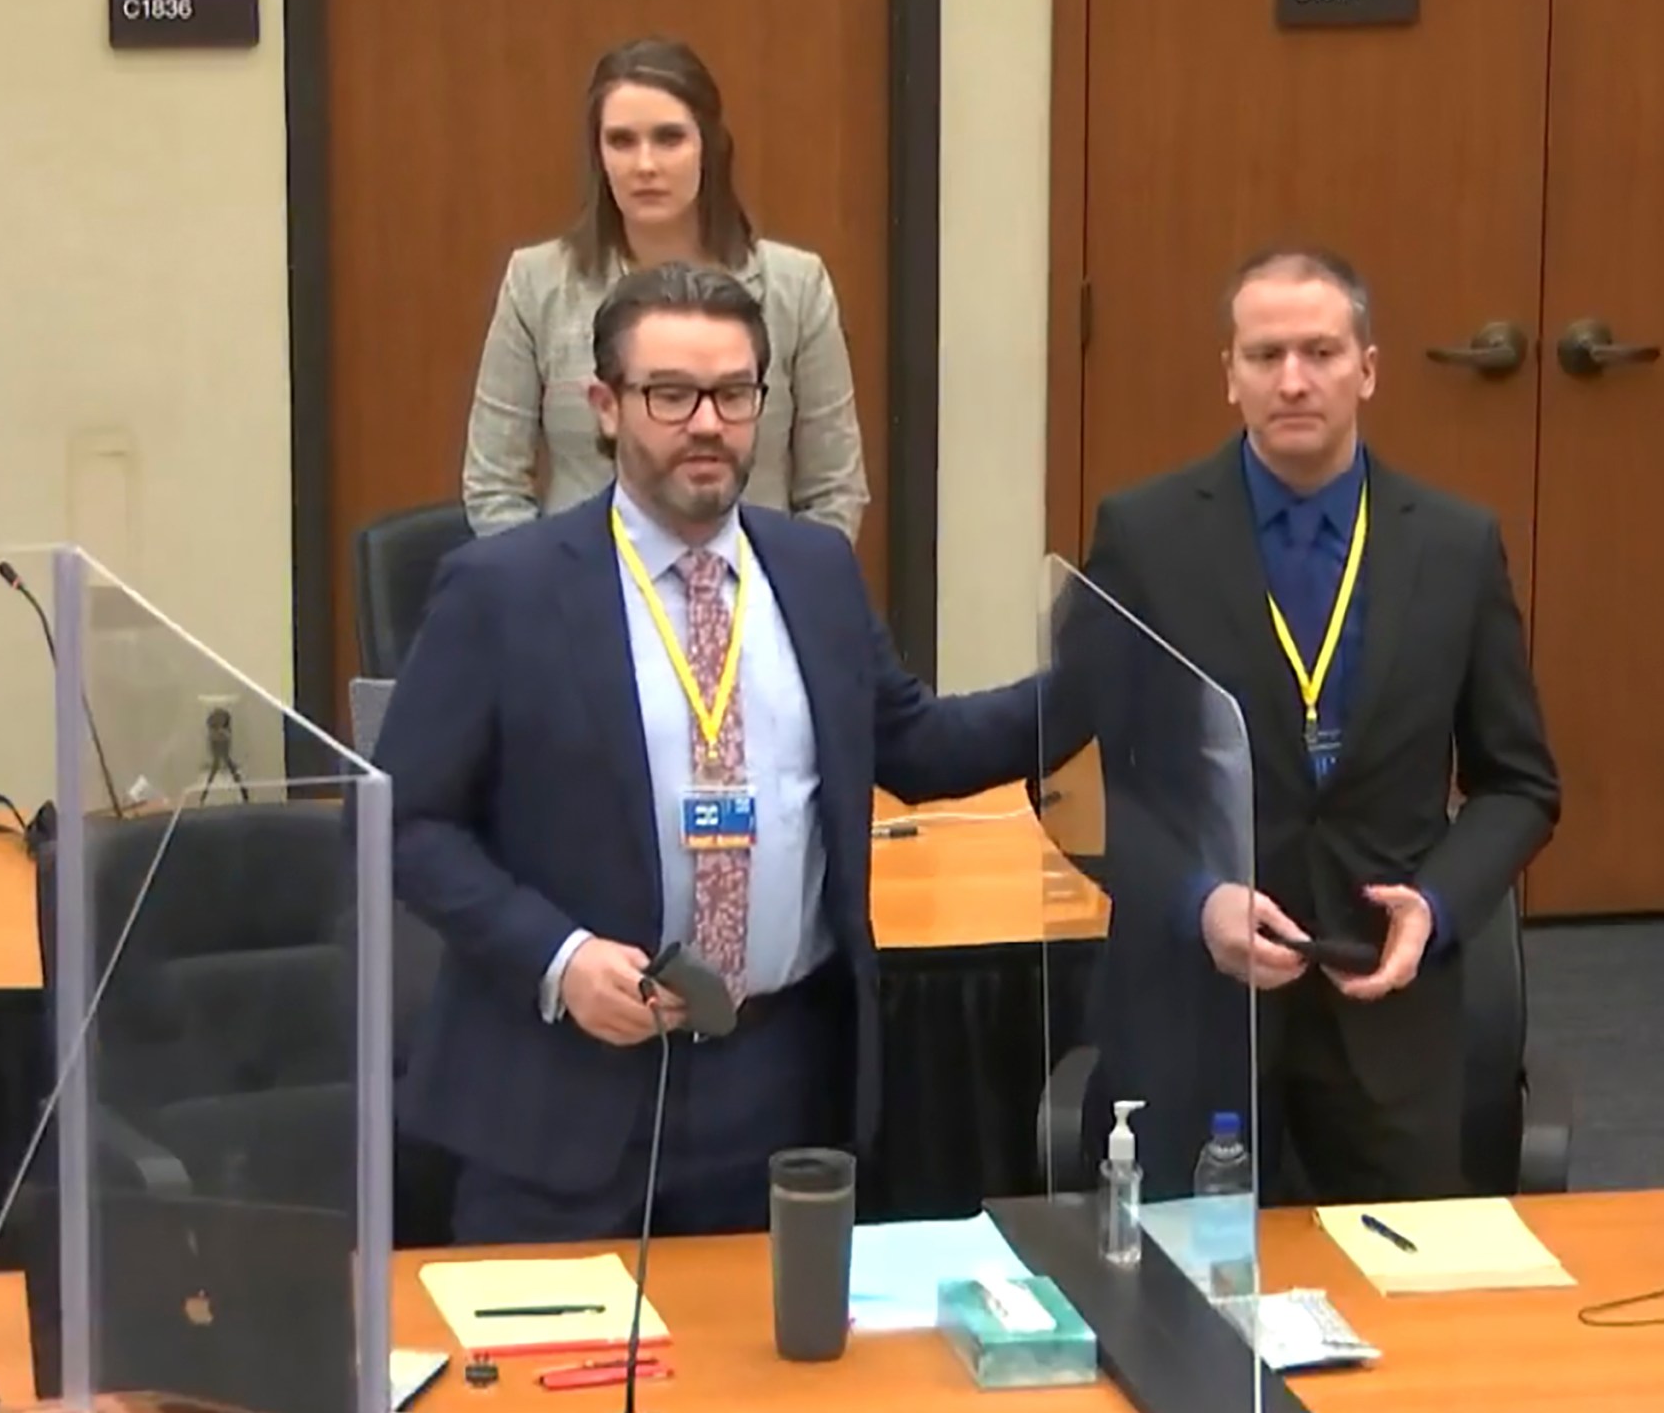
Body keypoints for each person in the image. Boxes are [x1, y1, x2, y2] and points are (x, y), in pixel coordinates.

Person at [378, 262, 1040, 1244]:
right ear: (605, 407)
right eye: (671, 394)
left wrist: (1097, 685)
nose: (706, 423)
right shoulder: (501, 590)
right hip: (564, 1099)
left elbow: (914, 743)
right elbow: (406, 822)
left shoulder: (813, 569)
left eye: (734, 394)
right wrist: (556, 960)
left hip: (775, 1084)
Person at [1073, 245, 1561, 1203]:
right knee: (1176, 1311)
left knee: (1410, 1322)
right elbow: (1084, 778)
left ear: (1368, 369)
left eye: (1322, 352)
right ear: (1230, 376)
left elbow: (1521, 783)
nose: (1293, 380)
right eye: (1264, 356)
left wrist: (1442, 902)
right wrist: (1195, 900)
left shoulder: (1457, 546)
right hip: (1196, 1004)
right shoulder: (1145, 534)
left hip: (1387, 1007)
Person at [459, 36, 869, 542]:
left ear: (709, 148)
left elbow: (835, 491)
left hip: (749, 595)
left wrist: (785, 596)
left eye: (669, 138)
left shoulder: (797, 287)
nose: (645, 165)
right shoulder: (537, 283)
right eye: (622, 141)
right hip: (585, 601)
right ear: (598, 154)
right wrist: (552, 598)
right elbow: (492, 486)